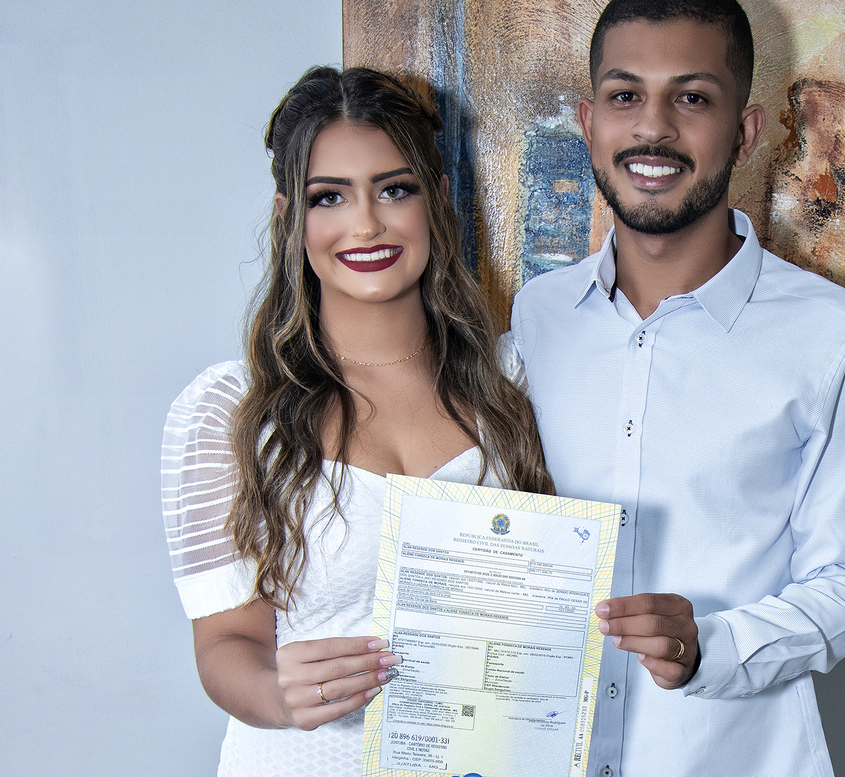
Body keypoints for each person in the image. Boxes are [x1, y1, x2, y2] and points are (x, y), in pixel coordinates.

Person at [507, 0, 845, 775]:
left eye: (691, 98)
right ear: (589, 121)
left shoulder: (840, 337)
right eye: (625, 95)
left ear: (745, 132)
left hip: (730, 757)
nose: (653, 127)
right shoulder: (536, 318)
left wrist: (708, 646)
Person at [161, 66, 554, 776]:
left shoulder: (514, 384)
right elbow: (224, 645)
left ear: (437, 199)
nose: (366, 223)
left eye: (394, 189)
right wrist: (277, 694)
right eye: (330, 197)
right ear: (290, 218)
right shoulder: (231, 410)